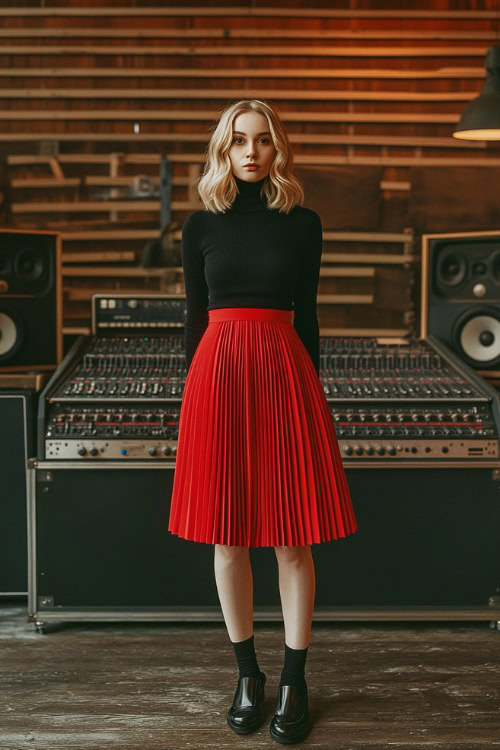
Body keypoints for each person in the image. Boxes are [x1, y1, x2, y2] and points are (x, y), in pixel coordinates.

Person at [168, 98, 358, 744]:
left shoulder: (304, 224)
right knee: (229, 537)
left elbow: (308, 317)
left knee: (291, 537)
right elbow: (196, 320)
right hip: (217, 379)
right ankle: (247, 675)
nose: (251, 152)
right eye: (239, 141)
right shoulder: (199, 226)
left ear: (279, 151)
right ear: (223, 152)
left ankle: (294, 678)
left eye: (264, 141)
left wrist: (314, 392)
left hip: (285, 374)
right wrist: (194, 399)